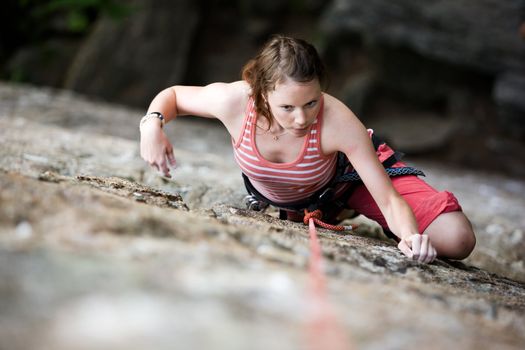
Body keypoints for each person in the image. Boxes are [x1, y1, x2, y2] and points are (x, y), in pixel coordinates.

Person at [139, 35, 476, 263]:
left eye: (312, 102)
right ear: (260, 93)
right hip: (302, 202)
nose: (302, 118)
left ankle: (350, 208)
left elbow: (388, 198)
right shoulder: (234, 101)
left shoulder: (339, 122)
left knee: (457, 239)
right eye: (288, 107)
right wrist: (152, 124)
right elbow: (173, 96)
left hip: (350, 177)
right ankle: (336, 213)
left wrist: (410, 237)